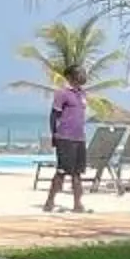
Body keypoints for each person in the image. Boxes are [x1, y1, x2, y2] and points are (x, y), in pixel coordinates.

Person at [42, 68, 90, 213]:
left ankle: (78, 204)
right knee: (62, 171)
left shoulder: (82, 94)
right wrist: (54, 135)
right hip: (65, 138)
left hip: (79, 138)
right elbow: (53, 116)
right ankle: (49, 202)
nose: (82, 75)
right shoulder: (62, 93)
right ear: (70, 76)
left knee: (77, 173)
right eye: (79, 73)